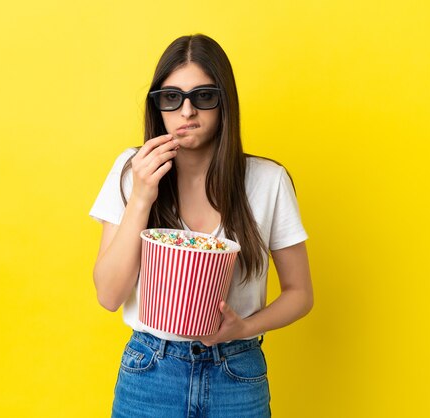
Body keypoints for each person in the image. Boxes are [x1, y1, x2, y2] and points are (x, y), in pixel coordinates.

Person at [90, 34, 313, 418]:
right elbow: (109, 296)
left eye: (203, 96)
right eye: (171, 97)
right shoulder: (132, 171)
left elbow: (300, 293)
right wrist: (143, 196)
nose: (187, 111)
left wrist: (242, 328)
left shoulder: (267, 180)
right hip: (151, 369)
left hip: (237, 372)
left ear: (224, 102)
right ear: (158, 105)